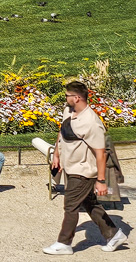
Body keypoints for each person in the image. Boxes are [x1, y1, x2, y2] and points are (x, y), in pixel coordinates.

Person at [43, 81, 127, 254]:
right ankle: (114, 234)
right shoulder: (68, 111)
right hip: (71, 167)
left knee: (70, 206)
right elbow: (62, 131)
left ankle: (64, 243)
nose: (65, 98)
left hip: (82, 171)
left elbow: (100, 154)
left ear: (77, 97)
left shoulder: (92, 122)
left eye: (67, 96)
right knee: (89, 203)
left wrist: (101, 181)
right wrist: (57, 154)